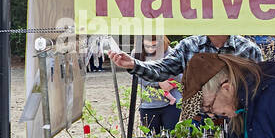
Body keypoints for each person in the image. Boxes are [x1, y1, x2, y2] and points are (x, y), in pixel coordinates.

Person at [109, 32, 262, 85]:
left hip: (239, 120)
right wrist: (133, 64)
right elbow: (162, 69)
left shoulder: (248, 50)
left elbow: (258, 88)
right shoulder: (189, 46)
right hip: (198, 122)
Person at [134, 35, 181, 131]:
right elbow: (136, 78)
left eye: (154, 46)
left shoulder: (172, 53)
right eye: (147, 46)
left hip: (172, 104)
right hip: (149, 104)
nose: (151, 49)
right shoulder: (137, 54)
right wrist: (158, 83)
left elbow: (181, 76)